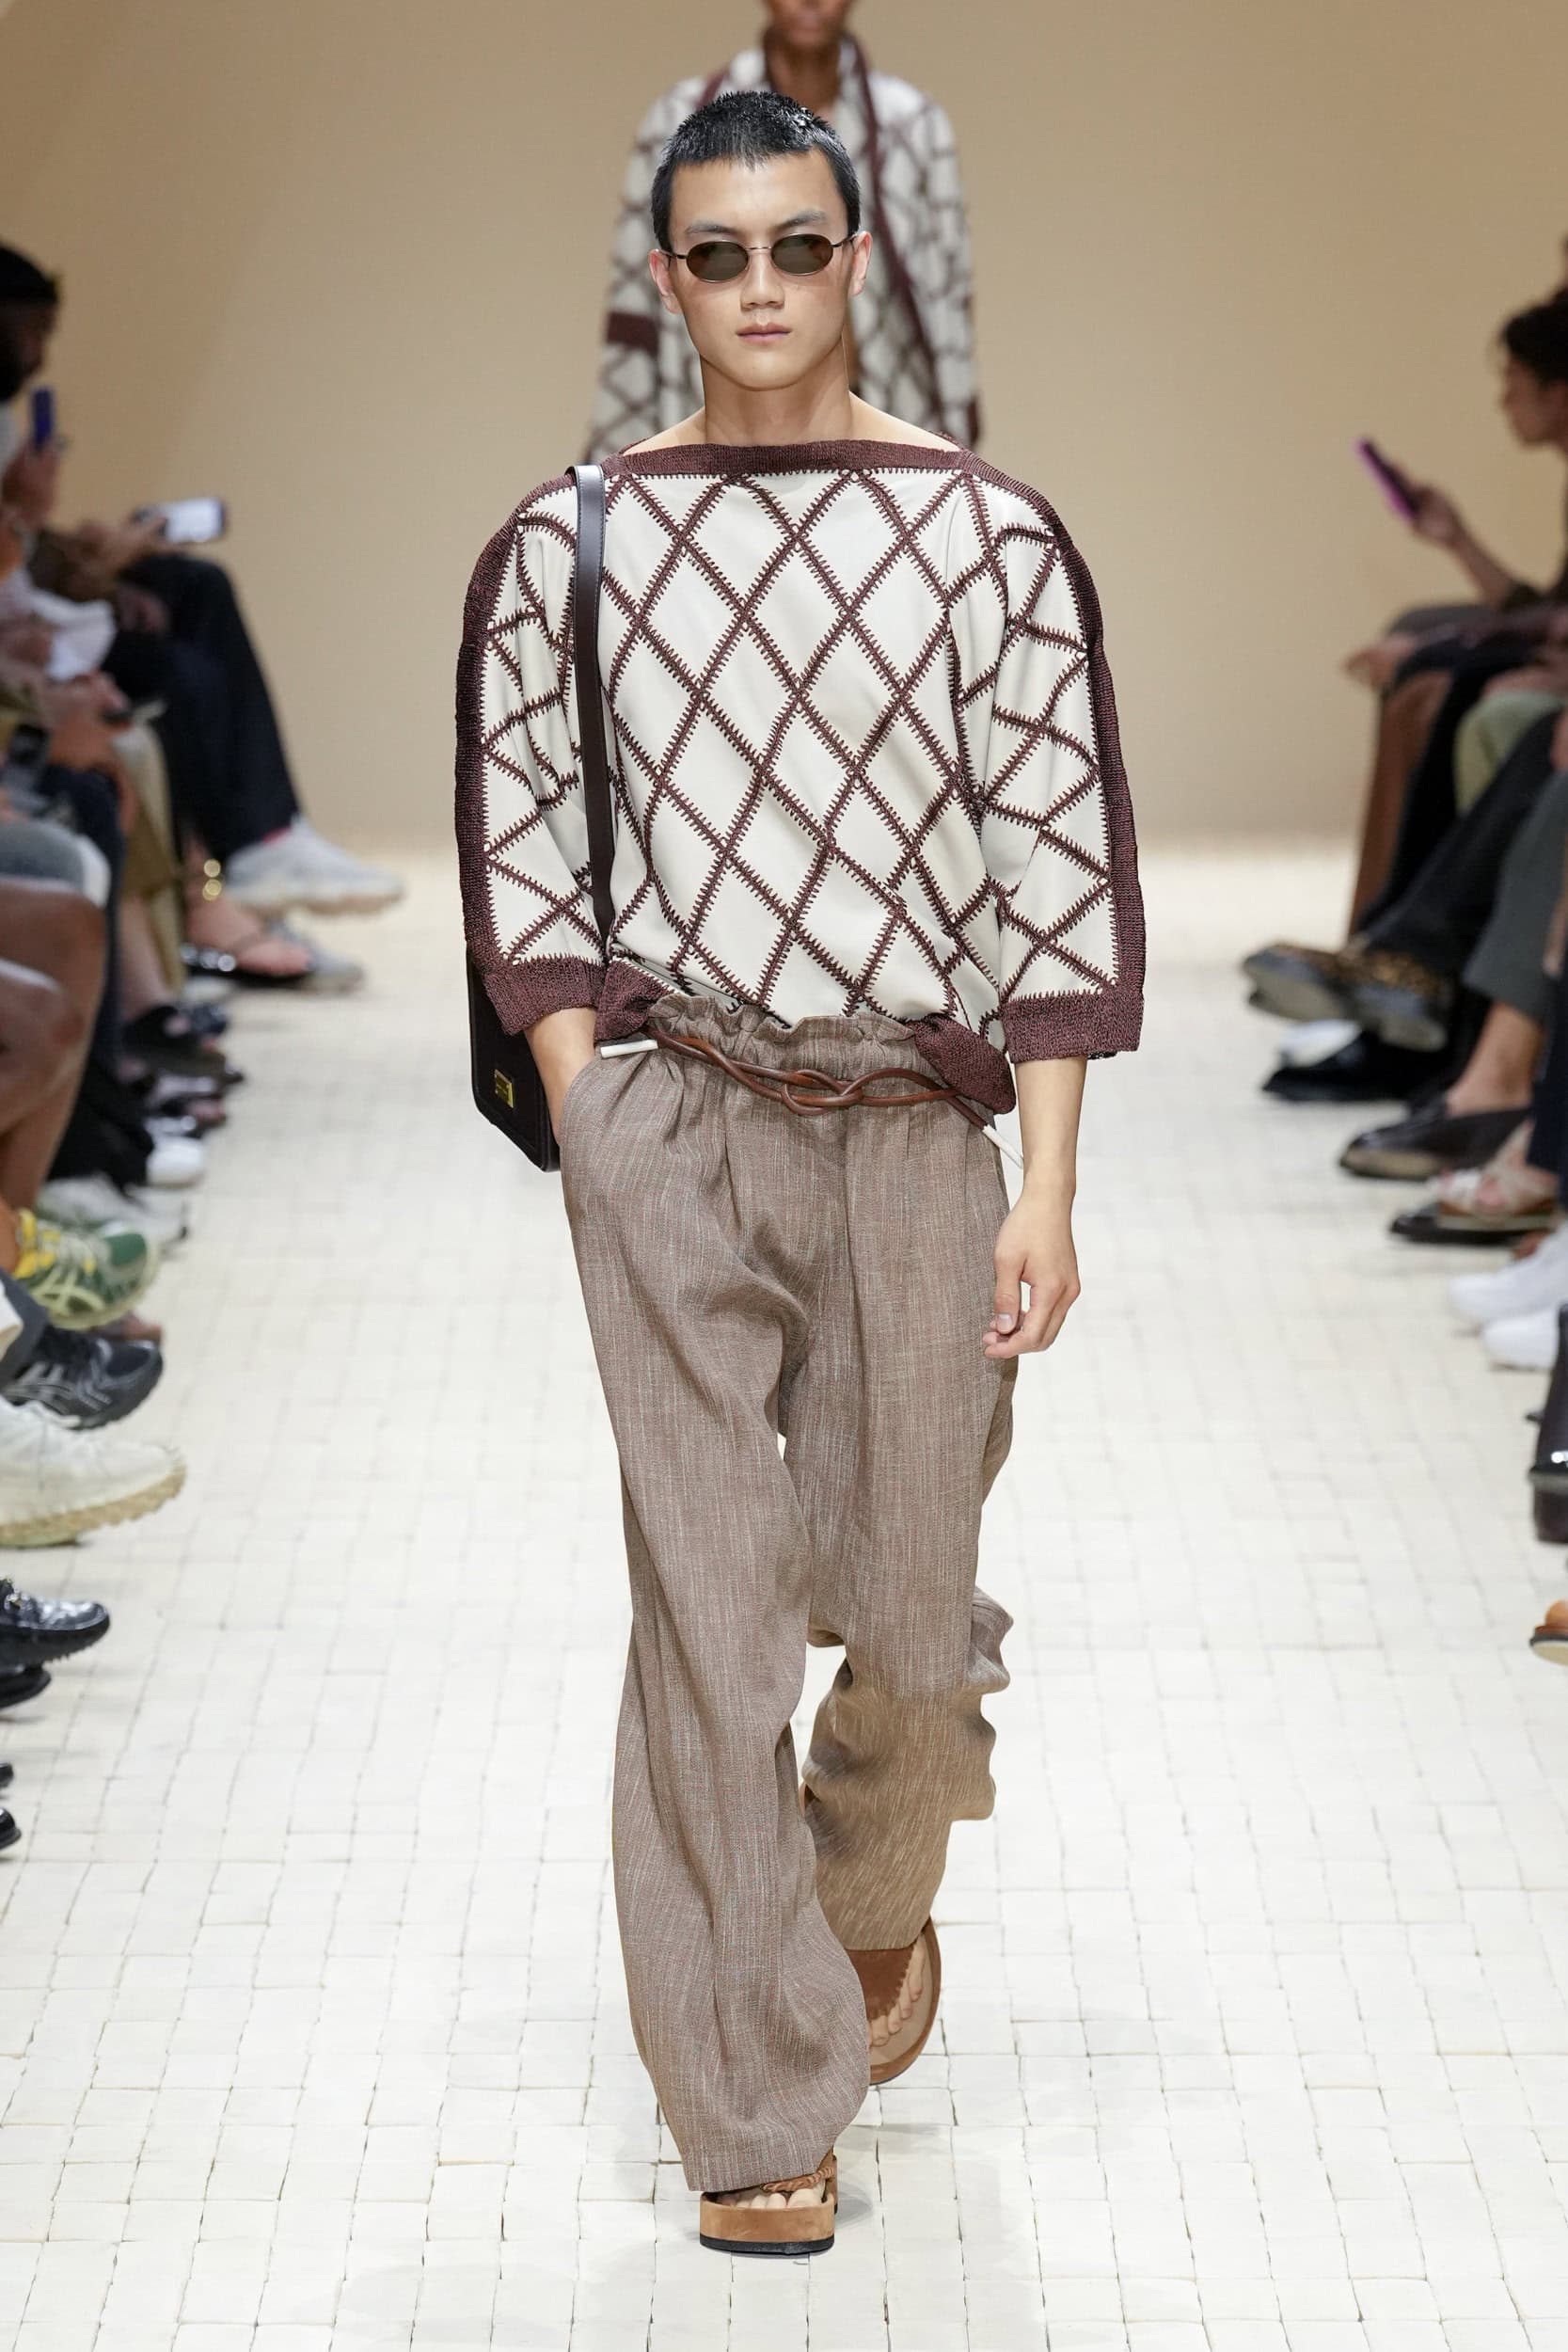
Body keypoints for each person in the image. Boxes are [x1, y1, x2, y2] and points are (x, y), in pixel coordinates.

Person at [458, 89, 1141, 2250]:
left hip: (918, 1128)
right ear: (666, 277)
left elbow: (1052, 863)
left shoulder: (987, 535)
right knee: (710, 1612)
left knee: (910, 1619)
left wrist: (1046, 1180)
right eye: (716, 253)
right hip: (673, 1110)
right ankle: (754, 2104)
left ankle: (863, 1884)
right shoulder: (567, 541)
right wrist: (591, 1115)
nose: (756, 288)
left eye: (792, 247)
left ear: (856, 258)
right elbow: (523, 855)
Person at [0, 242, 401, 981]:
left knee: (194, 585)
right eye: (29, 331)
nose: (39, 355)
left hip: (40, 613)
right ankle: (214, 898)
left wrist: (96, 566)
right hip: (20, 644)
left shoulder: (7, 422)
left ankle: (267, 838)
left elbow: (22, 555)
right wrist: (40, 526)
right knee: (179, 679)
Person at [586, 0, 979, 457]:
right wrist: (628, 472)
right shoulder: (678, 118)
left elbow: (947, 303)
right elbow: (636, 304)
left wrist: (953, 461)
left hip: (887, 411)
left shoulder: (914, 128)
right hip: (710, 423)